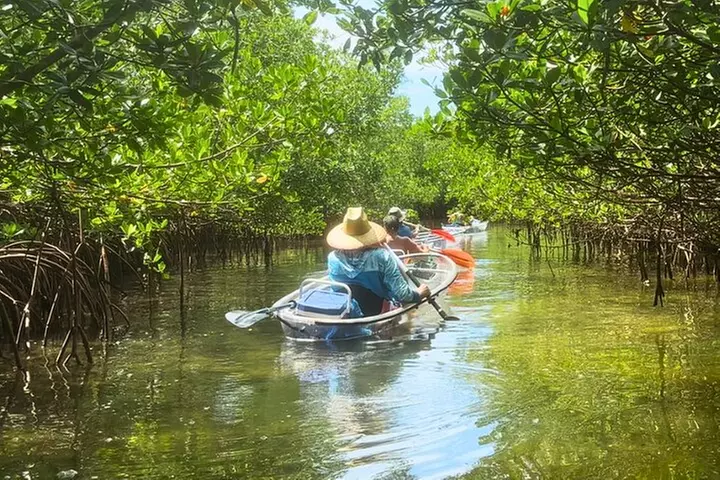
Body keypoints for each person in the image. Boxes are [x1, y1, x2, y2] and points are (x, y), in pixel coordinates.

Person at [326, 207, 431, 317]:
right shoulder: (381, 256)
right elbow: (403, 295)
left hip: (344, 310)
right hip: (374, 312)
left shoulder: (332, 257)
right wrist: (419, 293)